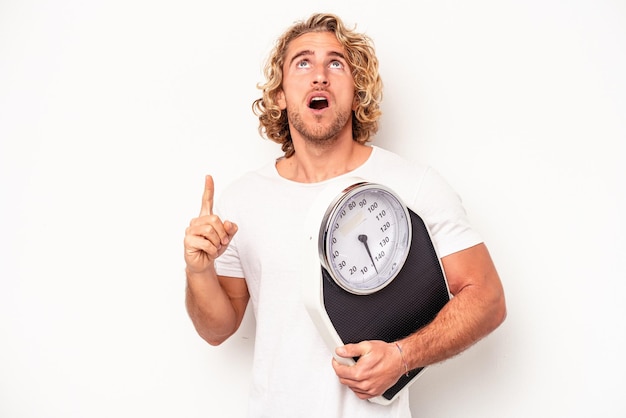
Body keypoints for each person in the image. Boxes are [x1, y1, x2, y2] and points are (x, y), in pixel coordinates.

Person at [183, 12, 506, 418]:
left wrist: (404, 355)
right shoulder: (241, 201)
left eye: (336, 63)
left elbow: (487, 298)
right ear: (280, 94)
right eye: (302, 62)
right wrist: (198, 272)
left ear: (357, 91)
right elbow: (217, 329)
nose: (320, 75)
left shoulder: (414, 184)